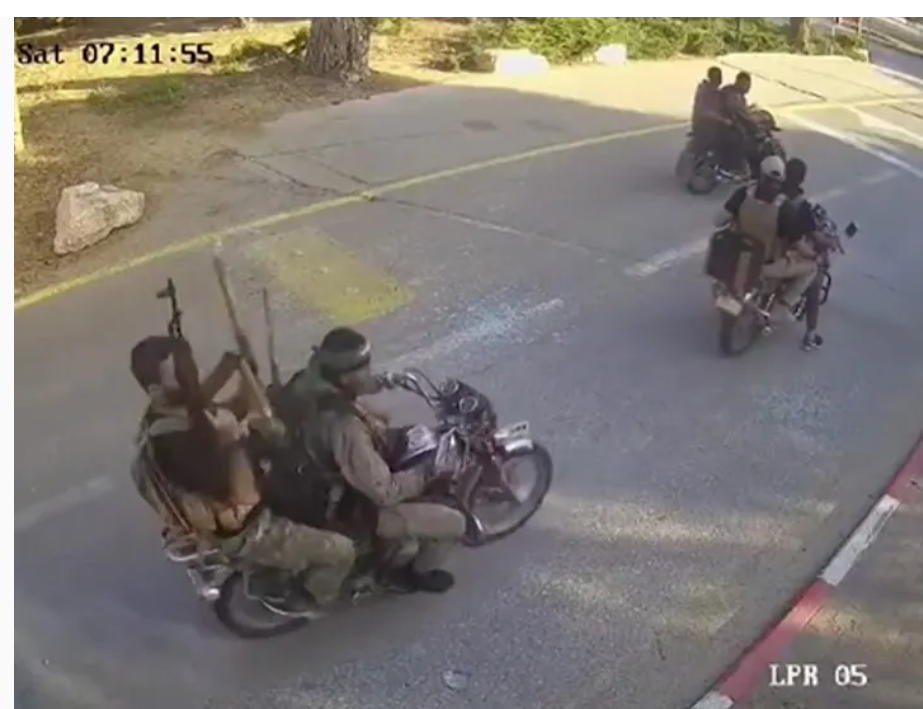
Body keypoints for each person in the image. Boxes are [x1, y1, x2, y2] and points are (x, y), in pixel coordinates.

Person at [129, 334, 357, 617]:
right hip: (245, 527)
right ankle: (306, 597)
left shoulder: (168, 412)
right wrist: (232, 441)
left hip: (242, 486)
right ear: (156, 389)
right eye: (182, 374)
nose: (193, 377)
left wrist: (238, 366)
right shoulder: (179, 447)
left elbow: (219, 404)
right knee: (341, 552)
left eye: (190, 368)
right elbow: (244, 497)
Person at [286, 326, 467, 595]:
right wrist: (427, 473)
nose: (368, 372)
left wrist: (386, 381)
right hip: (356, 507)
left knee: (383, 422)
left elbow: (353, 385)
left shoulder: (310, 379)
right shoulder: (346, 427)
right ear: (346, 376)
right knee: (454, 522)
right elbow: (384, 492)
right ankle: (409, 575)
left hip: (313, 463)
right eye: (363, 368)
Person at [714, 155, 818, 323]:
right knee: (812, 267)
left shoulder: (743, 194)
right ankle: (783, 306)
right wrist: (813, 255)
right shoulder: (784, 208)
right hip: (765, 265)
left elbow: (718, 221)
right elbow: (797, 242)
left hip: (736, 256)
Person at [781, 158, 831, 351]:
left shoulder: (768, 190)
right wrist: (826, 244)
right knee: (815, 277)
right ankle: (810, 334)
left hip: (764, 243)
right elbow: (814, 235)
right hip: (784, 254)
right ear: (801, 180)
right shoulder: (800, 206)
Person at [717, 71, 755, 177]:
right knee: (743, 139)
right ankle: (732, 167)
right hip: (723, 125)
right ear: (738, 82)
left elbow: (740, 111)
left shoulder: (733, 92)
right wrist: (752, 122)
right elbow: (736, 112)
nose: (747, 87)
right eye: (745, 84)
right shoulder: (733, 94)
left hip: (722, 123)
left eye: (748, 85)